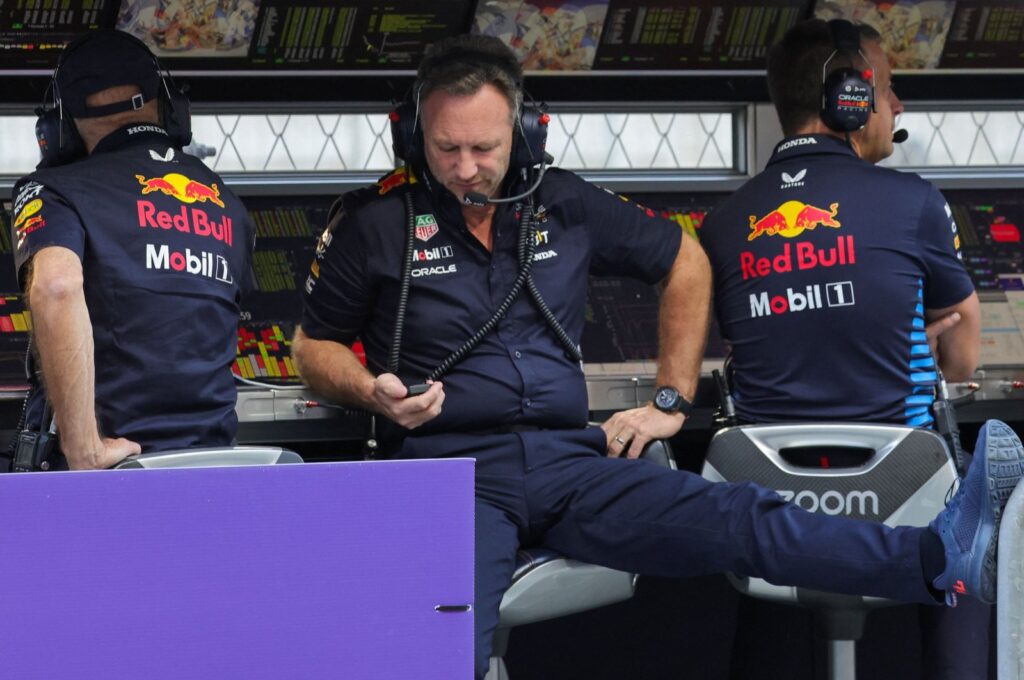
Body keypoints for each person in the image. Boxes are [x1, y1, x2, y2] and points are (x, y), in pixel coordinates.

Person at [292, 34, 1023, 679]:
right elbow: (311, 346)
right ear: (414, 135)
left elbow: (686, 259)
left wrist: (671, 400)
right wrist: (369, 388)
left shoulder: (566, 203)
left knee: (744, 520)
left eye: (484, 148)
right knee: (440, 639)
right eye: (447, 148)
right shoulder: (375, 222)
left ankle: (939, 559)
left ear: (524, 130)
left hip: (569, 465)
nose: (465, 167)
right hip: (450, 476)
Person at [700, 19, 991, 678]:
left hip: (774, 507)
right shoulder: (914, 202)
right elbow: (965, 354)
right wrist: (915, 345)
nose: (898, 107)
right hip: (904, 495)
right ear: (848, 99)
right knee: (976, 509)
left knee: (762, 516)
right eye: (888, 89)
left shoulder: (720, 225)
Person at [8, 30, 254, 471]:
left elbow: (58, 287)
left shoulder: (53, 190)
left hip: (117, 473)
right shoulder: (226, 202)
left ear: (60, 124)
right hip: (218, 466)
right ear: (167, 104)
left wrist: (85, 449)